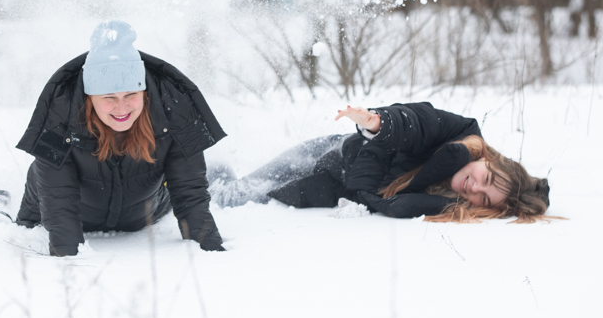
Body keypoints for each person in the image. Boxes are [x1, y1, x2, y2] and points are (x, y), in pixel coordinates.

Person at [15, 21, 226, 256]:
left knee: (212, 173)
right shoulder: (59, 118)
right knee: (40, 169)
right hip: (56, 217)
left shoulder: (172, 113)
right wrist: (68, 261)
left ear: (144, 93)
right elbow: (58, 200)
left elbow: (189, 192)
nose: (122, 107)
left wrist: (211, 249)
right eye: (109, 97)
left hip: (145, 214)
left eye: (131, 94)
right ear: (90, 97)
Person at [208, 102, 552, 223]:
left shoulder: (450, 204)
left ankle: (191, 176)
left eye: (485, 198)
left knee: (229, 200)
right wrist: (380, 123)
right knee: (228, 192)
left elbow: (393, 204)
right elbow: (417, 122)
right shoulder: (459, 134)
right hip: (330, 148)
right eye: (486, 178)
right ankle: (188, 166)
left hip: (321, 187)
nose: (475, 187)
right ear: (489, 159)